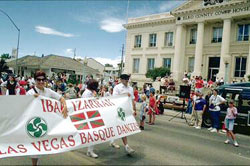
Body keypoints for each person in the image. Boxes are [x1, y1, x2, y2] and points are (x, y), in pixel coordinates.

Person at [26, 70, 68, 166]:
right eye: (38, 80)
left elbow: (61, 98)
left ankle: (37, 162)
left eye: (43, 79)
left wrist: (64, 106)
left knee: (42, 145)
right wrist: (31, 99)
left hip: (46, 122)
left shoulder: (48, 91)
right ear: (35, 80)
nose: (41, 82)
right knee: (34, 146)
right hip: (34, 122)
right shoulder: (30, 93)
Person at [112, 74, 136, 154]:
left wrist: (134, 109)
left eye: (127, 79)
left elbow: (132, 99)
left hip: (128, 110)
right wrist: (124, 95)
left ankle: (112, 141)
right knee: (123, 128)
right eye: (125, 79)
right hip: (120, 110)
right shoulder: (117, 87)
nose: (127, 81)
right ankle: (126, 146)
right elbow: (114, 98)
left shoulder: (130, 88)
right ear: (121, 80)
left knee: (121, 127)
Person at [81, 79, 99, 158]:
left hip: (90, 115)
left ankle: (90, 150)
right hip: (88, 115)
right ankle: (90, 151)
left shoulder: (89, 92)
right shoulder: (88, 93)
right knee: (92, 133)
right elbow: (88, 104)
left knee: (92, 133)